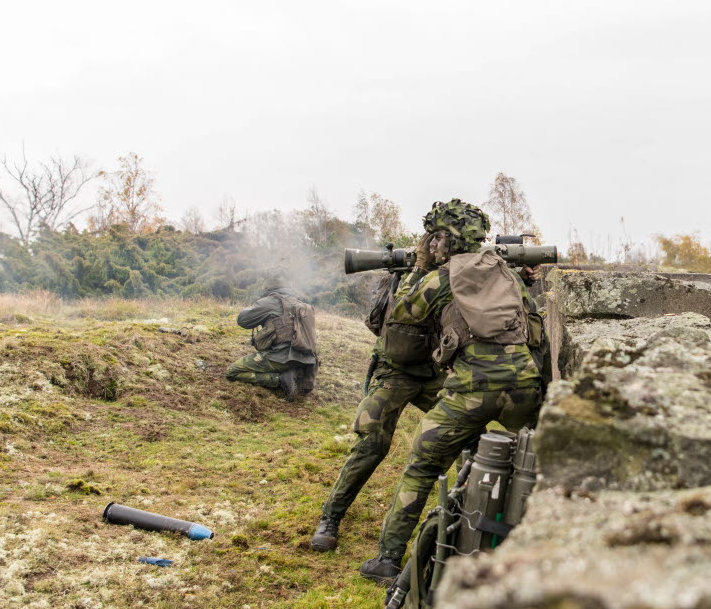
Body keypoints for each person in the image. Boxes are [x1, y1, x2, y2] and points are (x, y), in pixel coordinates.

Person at [359, 199, 545, 586]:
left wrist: (422, 266)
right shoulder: (505, 272)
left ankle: (387, 561)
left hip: (469, 389)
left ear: (439, 240)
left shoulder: (440, 277)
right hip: (524, 385)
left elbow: (403, 314)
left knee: (422, 467)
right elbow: (535, 329)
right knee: (530, 467)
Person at [308, 249, 448, 552]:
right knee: (370, 445)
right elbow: (380, 321)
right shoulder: (403, 278)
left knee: (463, 435)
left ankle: (463, 520)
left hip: (435, 373)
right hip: (394, 372)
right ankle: (331, 517)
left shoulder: (454, 275)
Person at [225, 275, 318, 401]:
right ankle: (294, 372)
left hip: (281, 357)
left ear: (268, 287)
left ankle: (280, 379)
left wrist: (258, 306)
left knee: (233, 371)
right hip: (308, 360)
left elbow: (243, 320)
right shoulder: (299, 303)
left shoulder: (271, 301)